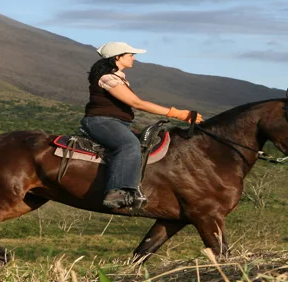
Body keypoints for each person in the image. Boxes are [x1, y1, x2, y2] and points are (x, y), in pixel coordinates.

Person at [81, 42, 202, 210]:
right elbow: (136, 103)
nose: (134, 58)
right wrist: (178, 113)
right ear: (117, 57)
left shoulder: (117, 77)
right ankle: (116, 192)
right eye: (130, 55)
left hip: (117, 123)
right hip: (101, 121)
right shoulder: (107, 78)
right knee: (129, 144)